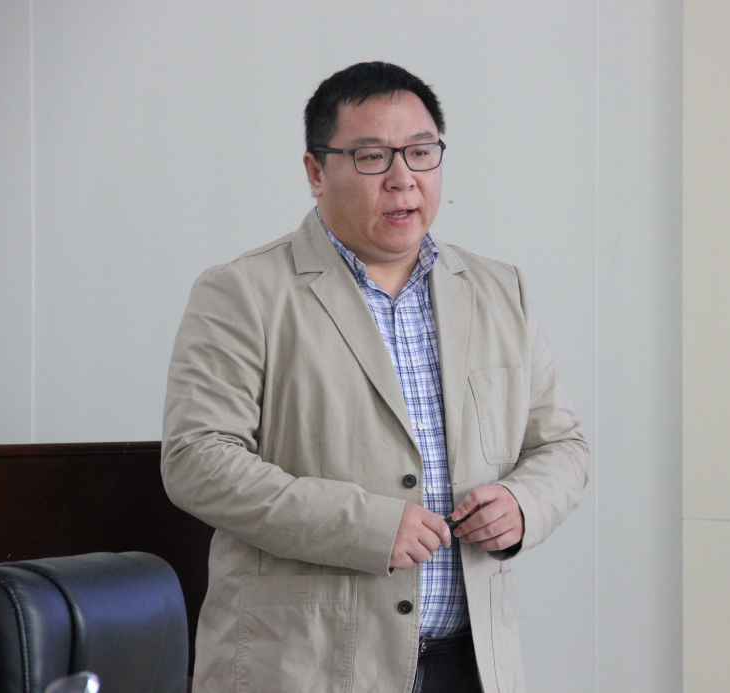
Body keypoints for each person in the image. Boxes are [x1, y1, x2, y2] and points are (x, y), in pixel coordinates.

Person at [161, 61, 588, 693]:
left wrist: (523, 504)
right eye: (371, 157)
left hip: (472, 665)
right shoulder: (243, 291)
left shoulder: (500, 289)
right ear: (316, 172)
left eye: (421, 152)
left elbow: (562, 446)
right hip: (309, 668)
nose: (402, 179)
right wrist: (365, 525)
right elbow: (197, 460)